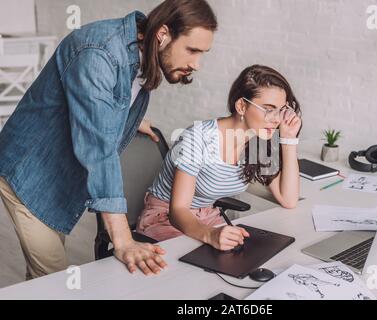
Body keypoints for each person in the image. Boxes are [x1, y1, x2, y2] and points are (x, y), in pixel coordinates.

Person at [0, 0, 218, 279]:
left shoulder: (141, 52)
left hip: (57, 173)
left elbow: (100, 99)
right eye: (192, 50)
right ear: (163, 34)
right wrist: (123, 239)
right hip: (28, 171)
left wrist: (126, 117)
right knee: (53, 277)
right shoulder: (98, 52)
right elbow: (99, 149)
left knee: (42, 279)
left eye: (203, 53)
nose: (196, 64)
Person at [137, 65, 302, 251]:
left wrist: (289, 139)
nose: (277, 119)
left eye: (281, 110)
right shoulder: (197, 138)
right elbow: (178, 211)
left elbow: (288, 199)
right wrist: (210, 234)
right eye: (268, 109)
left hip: (207, 216)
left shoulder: (257, 141)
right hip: (165, 217)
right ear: (241, 106)